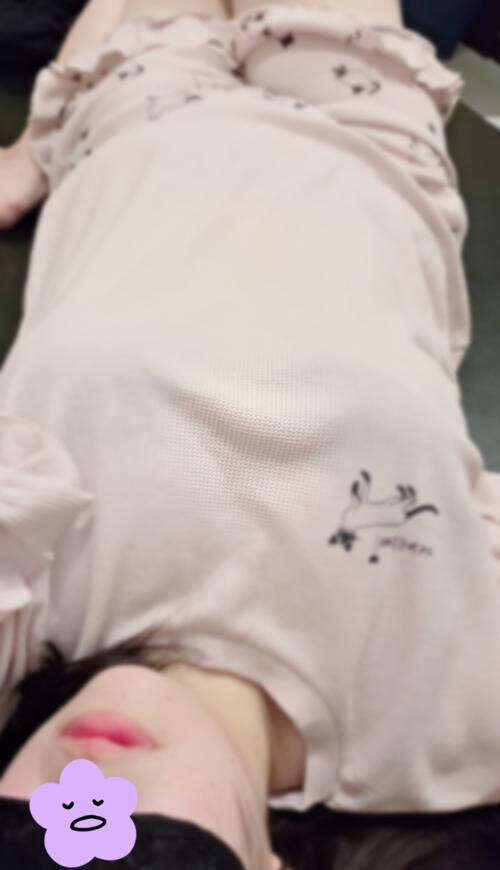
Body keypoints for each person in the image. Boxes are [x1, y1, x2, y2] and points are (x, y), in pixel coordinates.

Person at [1, 0, 500, 868]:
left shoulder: (24, 628)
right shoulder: (449, 719)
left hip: (133, 115)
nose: (81, 786)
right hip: (362, 134)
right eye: (146, 852)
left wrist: (28, 158)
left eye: (20, 837)